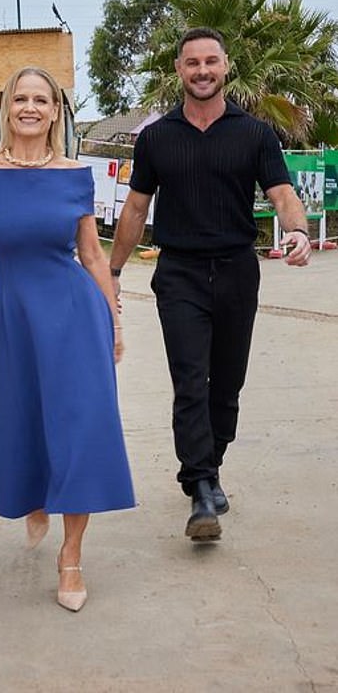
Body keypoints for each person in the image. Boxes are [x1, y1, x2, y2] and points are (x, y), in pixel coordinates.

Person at [110, 27, 310, 542]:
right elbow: (135, 208)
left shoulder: (255, 133)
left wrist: (298, 231)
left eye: (211, 62)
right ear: (179, 70)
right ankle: (199, 484)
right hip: (179, 272)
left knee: (227, 384)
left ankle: (211, 464)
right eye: (192, 62)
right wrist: (110, 272)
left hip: (238, 269)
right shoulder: (156, 137)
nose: (202, 70)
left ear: (225, 67)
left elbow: (283, 193)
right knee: (188, 378)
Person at [0, 66, 136, 612]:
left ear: (56, 111)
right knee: (22, 420)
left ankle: (71, 557)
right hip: (13, 316)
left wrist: (115, 321)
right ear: (8, 108)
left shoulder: (76, 175)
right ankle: (36, 496)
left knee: (81, 428)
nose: (30, 108)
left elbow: (93, 255)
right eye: (21, 99)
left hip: (76, 317)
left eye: (42, 100)